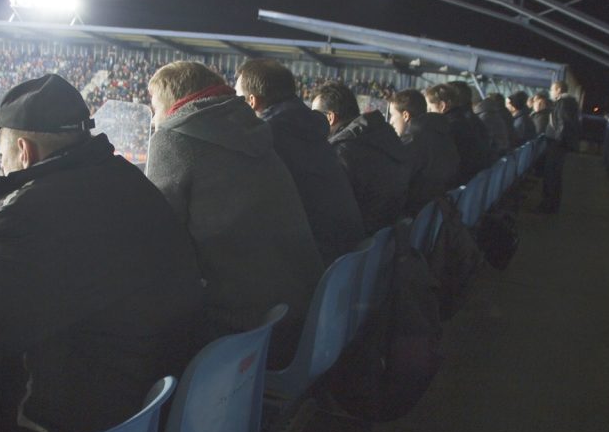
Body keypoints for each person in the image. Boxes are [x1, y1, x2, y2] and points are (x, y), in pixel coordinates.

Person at [0, 74, 206, 432]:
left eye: (2, 153)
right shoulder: (129, 181)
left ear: (25, 151)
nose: (3, 163)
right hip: (145, 420)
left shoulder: (32, 213)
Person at [145, 61, 324, 369]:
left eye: (154, 107)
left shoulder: (173, 137)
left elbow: (156, 233)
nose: (153, 118)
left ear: (173, 102)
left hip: (239, 328)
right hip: (294, 311)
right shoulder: (255, 128)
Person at [235, 58, 365, 266]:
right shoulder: (309, 131)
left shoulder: (267, 138)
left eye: (238, 99)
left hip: (313, 263)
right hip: (342, 256)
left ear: (252, 102)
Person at [312, 81, 412, 234]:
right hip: (386, 236)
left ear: (330, 118)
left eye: (314, 115)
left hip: (357, 240)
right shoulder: (383, 135)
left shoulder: (342, 151)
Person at [388, 88, 460, 214]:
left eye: (392, 115)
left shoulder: (411, 142)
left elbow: (395, 187)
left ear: (405, 115)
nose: (390, 121)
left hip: (414, 214)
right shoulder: (443, 133)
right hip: (437, 211)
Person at [425, 82, 493, 186]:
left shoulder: (446, 129)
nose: (427, 113)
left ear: (442, 106)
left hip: (456, 186)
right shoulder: (465, 121)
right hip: (470, 185)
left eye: (430, 108)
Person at [540, 80, 582, 213]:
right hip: (558, 144)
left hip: (556, 145)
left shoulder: (564, 103)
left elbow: (563, 124)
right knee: (554, 175)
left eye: (552, 89)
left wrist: (557, 141)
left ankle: (549, 205)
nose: (551, 92)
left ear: (558, 90)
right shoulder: (568, 102)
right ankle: (551, 204)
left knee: (552, 175)